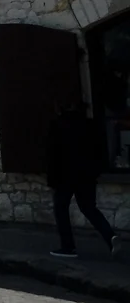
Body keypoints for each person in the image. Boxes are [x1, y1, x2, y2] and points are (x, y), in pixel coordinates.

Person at [47, 103, 121, 258]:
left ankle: (68, 247)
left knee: (61, 209)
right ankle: (109, 236)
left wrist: (52, 180)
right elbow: (100, 151)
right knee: (89, 208)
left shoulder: (57, 125)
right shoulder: (90, 125)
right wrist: (96, 172)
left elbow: (53, 155)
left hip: (64, 176)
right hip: (86, 175)